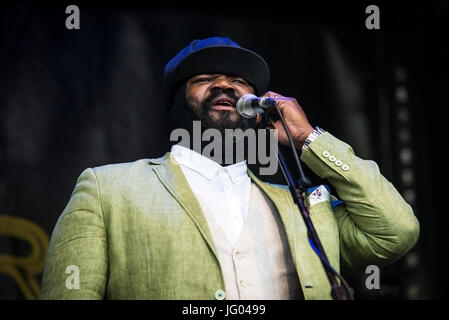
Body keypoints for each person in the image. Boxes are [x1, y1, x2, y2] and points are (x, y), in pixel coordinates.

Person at [39, 37, 419, 300]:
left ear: (256, 110)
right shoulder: (107, 190)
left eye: (239, 81)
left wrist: (308, 139)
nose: (224, 84)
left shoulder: (302, 209)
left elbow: (395, 230)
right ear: (175, 101)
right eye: (204, 78)